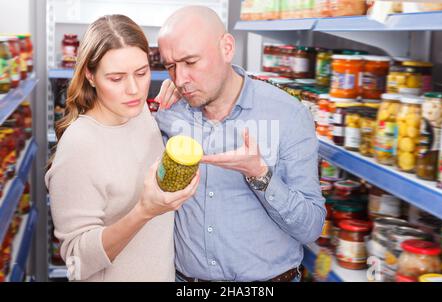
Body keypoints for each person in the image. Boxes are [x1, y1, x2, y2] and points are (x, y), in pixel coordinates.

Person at [156, 6, 326, 282]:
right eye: (170, 66)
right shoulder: (169, 111)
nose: (180, 79)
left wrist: (260, 175)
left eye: (190, 62)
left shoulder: (288, 114)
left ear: (226, 48)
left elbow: (311, 228)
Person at [45, 14, 199, 282]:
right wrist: (143, 212)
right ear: (90, 76)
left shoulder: (139, 114)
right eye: (116, 78)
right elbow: (75, 263)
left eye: (141, 73)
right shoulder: (79, 146)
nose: (134, 89)